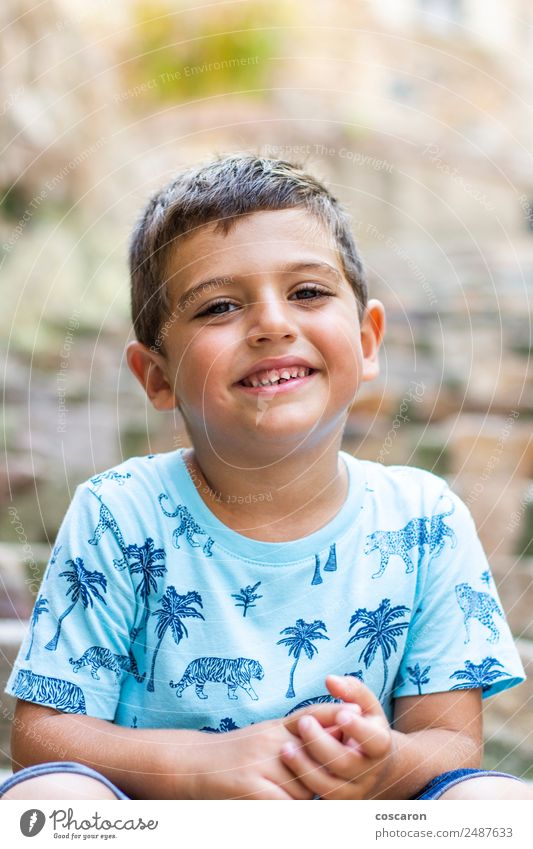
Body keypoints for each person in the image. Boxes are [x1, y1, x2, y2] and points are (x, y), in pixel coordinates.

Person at [1, 154, 530, 801]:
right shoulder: (119, 511)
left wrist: (380, 761)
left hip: (355, 824)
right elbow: (43, 734)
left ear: (367, 342)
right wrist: (196, 765)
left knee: (495, 801)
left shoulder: (424, 518)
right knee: (43, 796)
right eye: (220, 305)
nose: (273, 323)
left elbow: (450, 742)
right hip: (163, 827)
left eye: (307, 292)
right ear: (156, 377)